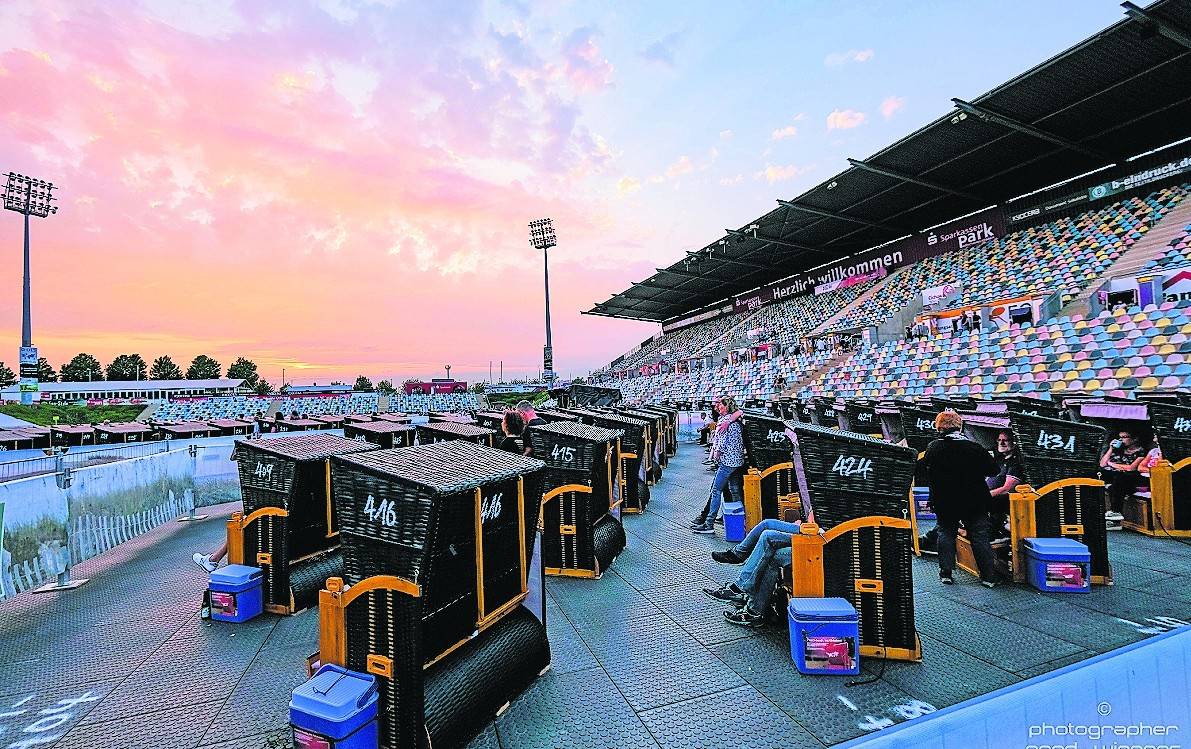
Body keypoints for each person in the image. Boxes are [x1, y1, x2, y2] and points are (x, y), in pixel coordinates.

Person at [920, 411, 1001, 587]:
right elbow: (993, 470)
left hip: (945, 501)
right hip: (975, 500)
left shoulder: (934, 447)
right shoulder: (975, 447)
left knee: (946, 533)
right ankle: (988, 577)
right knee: (979, 536)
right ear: (959, 426)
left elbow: (924, 469)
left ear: (939, 427)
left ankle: (946, 573)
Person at [703, 521, 801, 627]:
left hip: (816, 539)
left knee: (769, 541)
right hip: (811, 530)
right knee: (766, 525)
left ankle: (741, 592)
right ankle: (737, 557)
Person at [691, 396, 745, 534]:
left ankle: (708, 524)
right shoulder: (736, 420)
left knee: (715, 491)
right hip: (737, 462)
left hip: (726, 462)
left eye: (721, 405)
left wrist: (716, 455)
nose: (718, 407)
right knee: (734, 490)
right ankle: (742, 521)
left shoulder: (725, 421)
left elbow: (722, 442)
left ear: (727, 407)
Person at [1101, 430, 1146, 527]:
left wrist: (1112, 464)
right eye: (1120, 437)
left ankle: (1115, 512)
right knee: (1098, 473)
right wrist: (1110, 449)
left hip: (1130, 477)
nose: (1121, 440)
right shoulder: (1119, 449)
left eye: (1124, 437)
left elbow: (1131, 468)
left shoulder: (1141, 452)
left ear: (1134, 439)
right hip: (1113, 474)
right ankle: (1112, 515)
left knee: (1119, 479)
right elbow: (1102, 464)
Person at [987, 430, 1025, 541]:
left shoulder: (1015, 463)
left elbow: (1007, 489)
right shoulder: (999, 460)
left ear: (1014, 442)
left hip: (1000, 502)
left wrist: (985, 495)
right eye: (999, 440)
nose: (1002, 443)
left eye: (1005, 440)